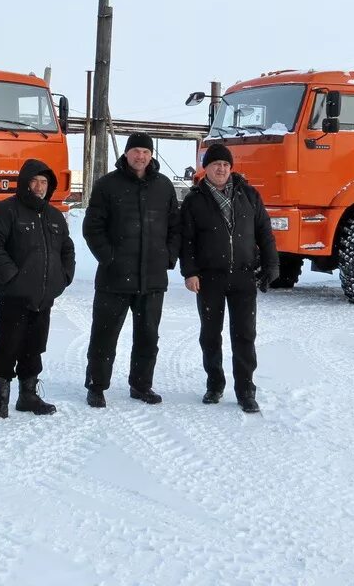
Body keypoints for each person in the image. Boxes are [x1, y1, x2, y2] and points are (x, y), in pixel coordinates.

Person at [179, 142, 278, 414]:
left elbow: (264, 232)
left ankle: (246, 390)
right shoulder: (195, 200)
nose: (221, 169)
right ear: (206, 169)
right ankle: (215, 383)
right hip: (209, 279)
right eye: (215, 165)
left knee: (244, 334)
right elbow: (186, 241)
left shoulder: (248, 195)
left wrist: (271, 264)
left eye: (225, 165)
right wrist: (190, 272)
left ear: (231, 168)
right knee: (210, 335)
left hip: (243, 277)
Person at [83, 132, 180, 407]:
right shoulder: (107, 185)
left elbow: (175, 227)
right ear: (126, 154)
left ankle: (141, 385)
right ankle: (97, 385)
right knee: (104, 334)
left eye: (146, 152)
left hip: (152, 278)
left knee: (148, 336)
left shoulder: (163, 186)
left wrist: (168, 257)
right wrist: (109, 258)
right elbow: (93, 227)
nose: (141, 156)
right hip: (114, 278)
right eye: (136, 150)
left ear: (152, 155)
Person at [0, 159, 75, 421]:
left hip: (44, 296)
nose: (39, 187)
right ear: (24, 183)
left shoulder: (53, 215)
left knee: (34, 346)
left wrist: (63, 277)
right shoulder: (6, 211)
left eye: (44, 182)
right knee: (7, 346)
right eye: (35, 181)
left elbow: (67, 248)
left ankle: (28, 395)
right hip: (14, 296)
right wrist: (10, 276)